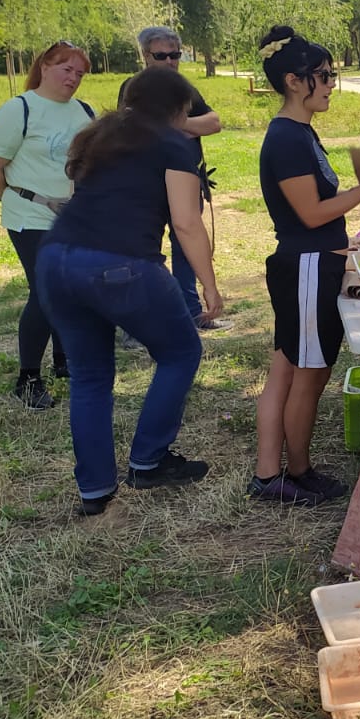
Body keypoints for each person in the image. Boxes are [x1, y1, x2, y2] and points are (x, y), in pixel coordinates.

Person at [36, 68, 220, 516]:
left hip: (56, 259)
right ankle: (148, 460)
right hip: (121, 264)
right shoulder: (173, 143)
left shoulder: (97, 139)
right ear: (179, 109)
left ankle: (95, 491)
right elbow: (186, 222)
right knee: (180, 353)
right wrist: (209, 286)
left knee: (90, 377)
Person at [253, 25, 360, 508]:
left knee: (287, 370)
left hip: (311, 263)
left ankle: (268, 473)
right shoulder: (286, 138)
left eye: (331, 74)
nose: (330, 84)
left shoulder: (300, 132)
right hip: (304, 266)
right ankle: (296, 473)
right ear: (294, 81)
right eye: (323, 75)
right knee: (309, 372)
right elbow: (312, 214)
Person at [0, 40, 95, 410]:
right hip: (30, 217)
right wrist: (12, 198)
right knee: (45, 293)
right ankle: (28, 378)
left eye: (79, 73)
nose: (72, 78)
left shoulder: (84, 112)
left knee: (69, 289)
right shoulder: (19, 109)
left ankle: (64, 360)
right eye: (66, 69)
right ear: (44, 66)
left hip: (72, 217)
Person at [120, 26, 229, 332]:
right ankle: (137, 325)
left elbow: (214, 122)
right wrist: (183, 127)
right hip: (148, 187)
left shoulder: (184, 88)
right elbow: (134, 130)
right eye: (161, 55)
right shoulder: (134, 87)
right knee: (143, 254)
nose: (170, 61)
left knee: (187, 249)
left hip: (186, 180)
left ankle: (192, 314)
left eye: (175, 55)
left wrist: (175, 124)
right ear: (145, 55)